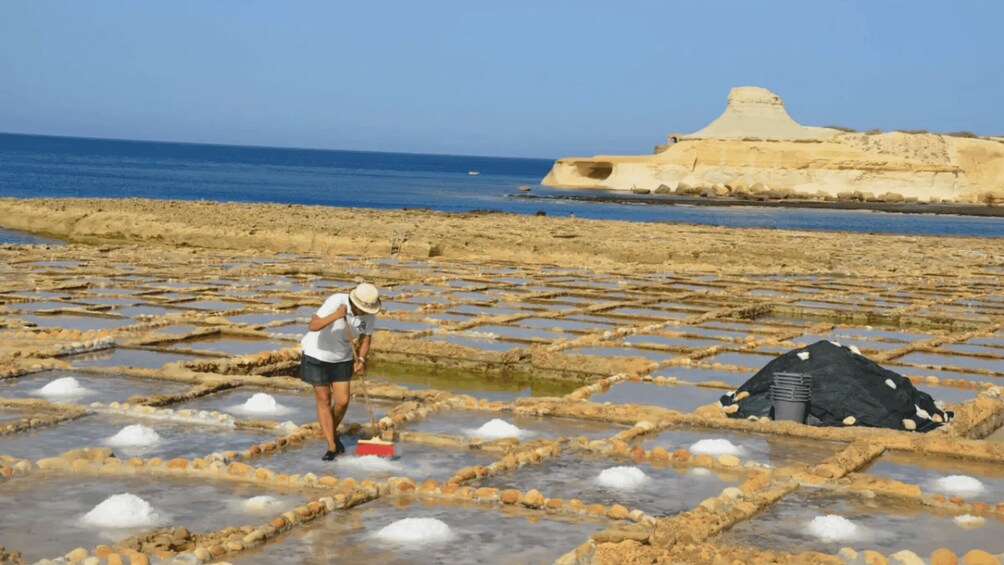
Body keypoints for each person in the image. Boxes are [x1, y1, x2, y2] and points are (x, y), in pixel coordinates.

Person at [299, 282, 381, 460]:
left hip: (342, 356)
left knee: (342, 401)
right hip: (317, 354)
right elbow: (313, 326)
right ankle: (331, 446)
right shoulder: (337, 301)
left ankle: (330, 432)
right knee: (324, 399)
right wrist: (336, 315)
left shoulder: (370, 315)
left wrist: (361, 359)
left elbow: (366, 340)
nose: (366, 313)